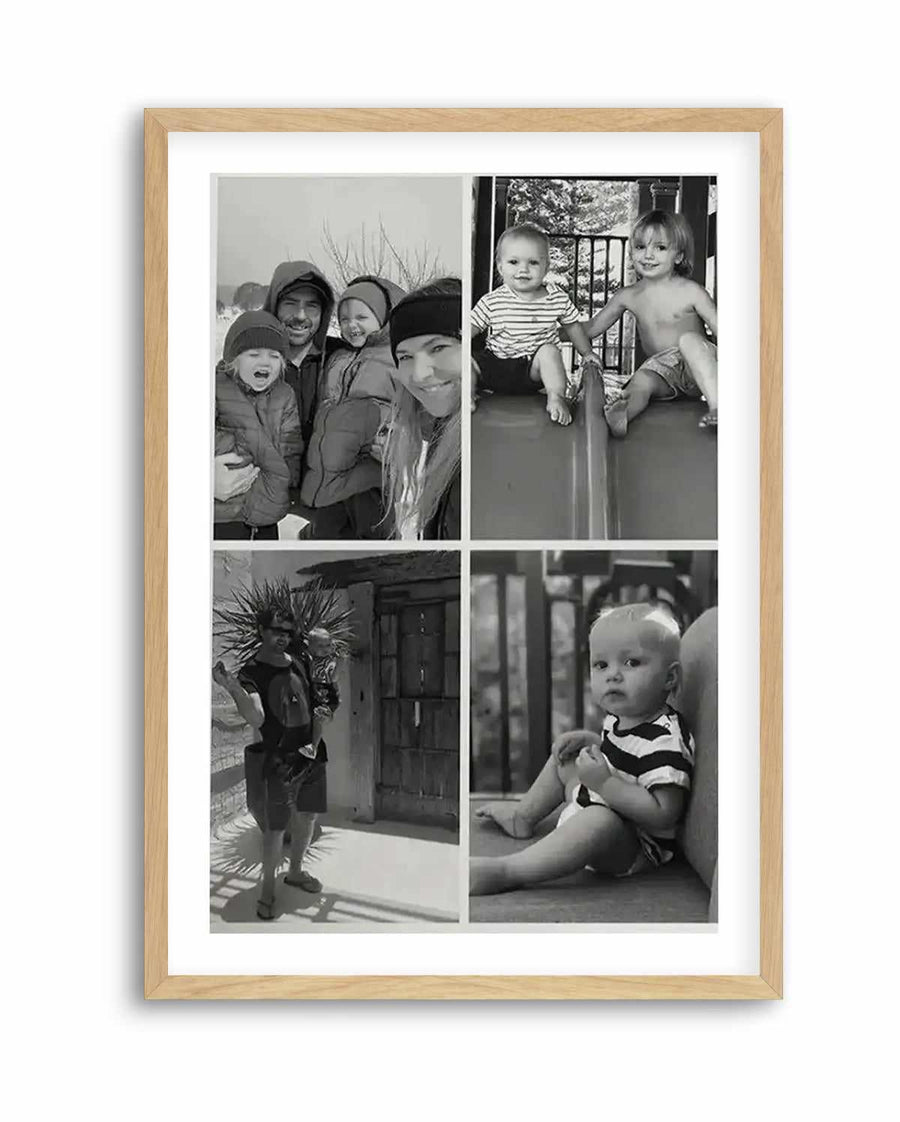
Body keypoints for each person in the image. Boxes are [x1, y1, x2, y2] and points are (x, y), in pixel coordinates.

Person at [470, 604, 694, 896]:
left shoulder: (666, 740)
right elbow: (626, 758)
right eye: (602, 665)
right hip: (599, 799)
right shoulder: (626, 715)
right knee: (567, 758)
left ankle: (509, 871)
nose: (613, 675)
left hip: (630, 844)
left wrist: (604, 783)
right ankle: (523, 817)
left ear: (670, 678)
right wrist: (592, 742)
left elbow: (663, 814)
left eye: (631, 663)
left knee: (599, 821)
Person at [212, 607, 331, 920]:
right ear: (261, 630)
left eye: (288, 632)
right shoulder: (253, 671)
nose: (283, 637)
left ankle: (294, 872)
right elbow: (256, 717)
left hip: (312, 754)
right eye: (277, 630)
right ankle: (267, 889)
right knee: (275, 828)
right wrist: (233, 687)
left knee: (307, 817)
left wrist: (325, 711)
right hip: (278, 759)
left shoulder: (301, 660)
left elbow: (315, 698)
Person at [585, 210, 718, 435]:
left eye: (660, 248)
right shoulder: (628, 295)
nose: (648, 255)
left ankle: (718, 406)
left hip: (701, 364)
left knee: (689, 341)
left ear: (678, 256)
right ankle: (622, 415)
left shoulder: (692, 292)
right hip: (664, 371)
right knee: (642, 379)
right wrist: (552, 330)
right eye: (640, 247)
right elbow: (591, 328)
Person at [299, 275, 406, 538]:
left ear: (382, 319)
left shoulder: (395, 358)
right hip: (331, 474)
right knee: (326, 531)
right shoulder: (338, 357)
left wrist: (395, 437)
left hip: (370, 472)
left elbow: (411, 411)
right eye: (344, 319)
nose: (351, 325)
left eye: (361, 317)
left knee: (373, 532)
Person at [470, 224, 600, 426]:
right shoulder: (492, 300)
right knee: (468, 361)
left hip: (532, 370)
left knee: (549, 352)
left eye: (533, 262)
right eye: (513, 262)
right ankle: (466, 395)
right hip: (494, 366)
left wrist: (587, 353)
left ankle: (555, 396)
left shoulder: (556, 298)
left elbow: (573, 327)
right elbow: (470, 328)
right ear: (500, 266)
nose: (523, 269)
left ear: (546, 267)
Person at [213, 311, 302, 541]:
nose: (265, 362)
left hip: (267, 510)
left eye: (274, 356)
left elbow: (291, 444)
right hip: (224, 512)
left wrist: (284, 483)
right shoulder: (216, 389)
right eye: (254, 354)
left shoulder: (284, 395)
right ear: (233, 360)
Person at [385, 277, 462, 539]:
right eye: (405, 356)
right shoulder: (444, 431)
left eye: (438, 347)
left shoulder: (487, 450)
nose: (419, 375)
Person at [263, 261, 337, 451]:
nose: (301, 315)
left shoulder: (341, 359)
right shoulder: (249, 362)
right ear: (274, 307)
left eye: (311, 306)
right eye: (291, 303)